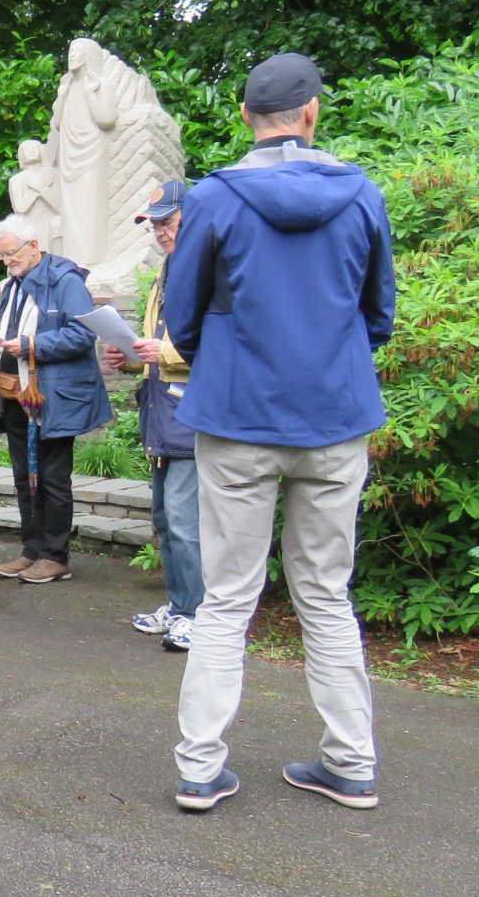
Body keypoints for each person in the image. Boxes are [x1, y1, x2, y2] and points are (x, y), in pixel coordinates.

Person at [163, 52, 396, 813]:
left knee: (228, 598)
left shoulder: (214, 199)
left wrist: (224, 360)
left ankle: (200, 768)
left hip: (237, 419)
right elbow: (380, 316)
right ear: (312, 112)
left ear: (244, 119)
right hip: (334, 416)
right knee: (326, 595)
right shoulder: (362, 195)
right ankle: (351, 762)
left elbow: (185, 318)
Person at [0, 214, 112, 584]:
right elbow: (13, 330)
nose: (7, 261)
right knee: (25, 477)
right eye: (2, 256)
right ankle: (31, 552)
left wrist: (32, 345)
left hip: (54, 397)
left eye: (11, 254)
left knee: (52, 477)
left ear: (34, 245)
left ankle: (56, 557)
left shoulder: (66, 280)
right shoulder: (10, 286)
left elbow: (84, 334)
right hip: (15, 394)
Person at [102, 180, 201, 652]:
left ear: (192, 217)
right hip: (163, 415)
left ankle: (198, 616)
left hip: (191, 416)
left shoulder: (204, 266)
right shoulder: (170, 267)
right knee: (165, 521)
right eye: (155, 225)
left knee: (186, 524)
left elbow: (219, 344)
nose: (161, 232)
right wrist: (133, 357)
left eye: (168, 222)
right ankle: (180, 608)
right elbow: (160, 345)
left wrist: (157, 352)